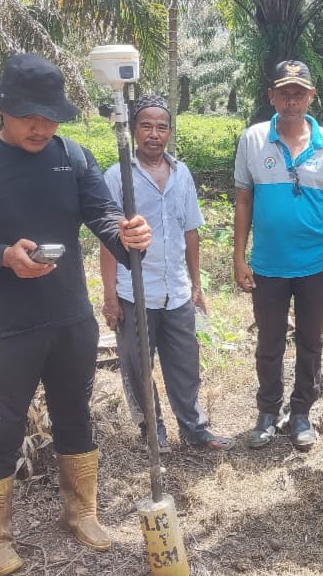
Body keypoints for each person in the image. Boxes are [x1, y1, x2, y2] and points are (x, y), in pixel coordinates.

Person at [0, 53, 152, 575]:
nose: (41, 125)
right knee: (0, 427)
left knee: (76, 412)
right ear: (2, 107)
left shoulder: (73, 157)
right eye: (30, 114)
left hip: (69, 316)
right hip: (4, 323)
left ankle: (82, 512)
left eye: (50, 115)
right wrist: (1, 258)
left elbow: (102, 216)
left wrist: (128, 235)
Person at [233, 60, 323, 451]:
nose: (291, 100)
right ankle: (268, 411)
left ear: (311, 97)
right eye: (284, 92)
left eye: (299, 92)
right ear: (271, 96)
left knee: (311, 340)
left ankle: (301, 410)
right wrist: (238, 258)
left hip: (318, 265)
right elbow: (243, 201)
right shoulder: (253, 140)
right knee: (269, 342)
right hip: (268, 265)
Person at [100, 94, 235, 453]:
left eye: (162, 127)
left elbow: (191, 231)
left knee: (185, 365)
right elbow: (108, 241)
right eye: (146, 126)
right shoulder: (118, 176)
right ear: (134, 130)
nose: (154, 134)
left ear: (170, 132)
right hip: (135, 291)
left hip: (175, 290)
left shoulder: (182, 174)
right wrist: (110, 297)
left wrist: (196, 285)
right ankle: (152, 434)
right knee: (138, 368)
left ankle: (195, 431)